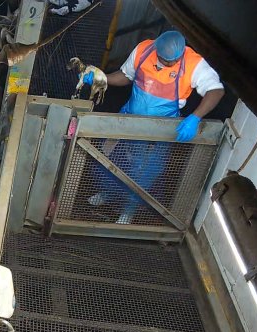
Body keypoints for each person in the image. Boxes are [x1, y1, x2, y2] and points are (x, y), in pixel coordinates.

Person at [81, 30, 224, 224]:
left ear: (181, 54)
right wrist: (103, 79)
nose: (165, 64)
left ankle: (129, 210)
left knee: (144, 171)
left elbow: (216, 90)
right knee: (113, 159)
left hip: (160, 130)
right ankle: (108, 192)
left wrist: (195, 117)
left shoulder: (194, 63)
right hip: (130, 119)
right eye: (162, 59)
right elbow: (125, 75)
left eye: (170, 62)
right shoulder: (143, 49)